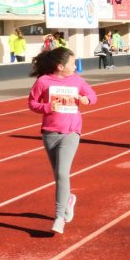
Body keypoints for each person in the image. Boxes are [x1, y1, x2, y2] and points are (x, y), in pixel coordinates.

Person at [28, 47, 97, 234]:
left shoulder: (76, 80)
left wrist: (85, 100)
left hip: (71, 132)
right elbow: (32, 103)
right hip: (50, 132)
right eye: (73, 64)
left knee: (61, 174)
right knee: (58, 175)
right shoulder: (43, 81)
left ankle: (59, 217)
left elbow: (93, 96)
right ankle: (68, 199)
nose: (76, 66)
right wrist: (48, 107)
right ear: (60, 66)